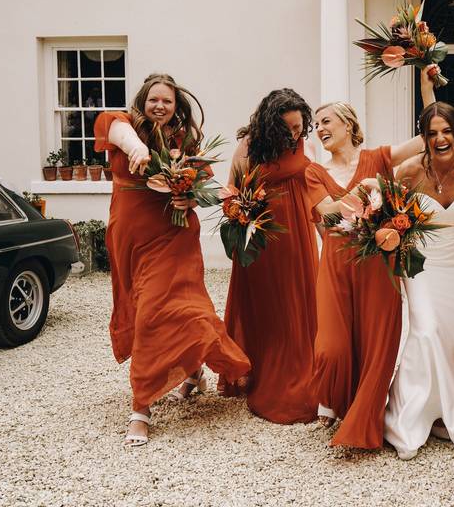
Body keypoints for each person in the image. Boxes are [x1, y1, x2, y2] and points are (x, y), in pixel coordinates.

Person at [94, 73, 251, 447]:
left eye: (167, 101)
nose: (160, 106)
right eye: (154, 100)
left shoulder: (186, 142)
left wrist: (189, 199)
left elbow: (204, 189)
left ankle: (141, 407)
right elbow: (118, 134)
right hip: (130, 237)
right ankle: (194, 370)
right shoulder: (119, 123)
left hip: (174, 236)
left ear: (176, 105)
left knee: (165, 311)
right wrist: (137, 149)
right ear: (142, 101)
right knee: (145, 305)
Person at [304, 67, 436, 449]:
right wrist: (368, 192)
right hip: (334, 267)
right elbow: (328, 213)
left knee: (376, 344)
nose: (320, 129)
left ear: (348, 123)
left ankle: (363, 417)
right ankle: (337, 397)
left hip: (378, 266)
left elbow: (429, 139)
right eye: (316, 125)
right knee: (331, 348)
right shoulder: (314, 172)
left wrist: (426, 91)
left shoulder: (378, 157)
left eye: (326, 121)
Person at [384, 101, 454, 460]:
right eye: (432, 133)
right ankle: (409, 418)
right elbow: (391, 221)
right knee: (425, 331)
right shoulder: (408, 171)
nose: (440, 138)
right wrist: (395, 265)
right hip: (421, 263)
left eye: (447, 131)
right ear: (423, 137)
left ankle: (450, 414)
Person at [218, 89, 319, 424]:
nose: (293, 134)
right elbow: (231, 191)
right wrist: (239, 213)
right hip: (264, 240)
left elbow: (317, 186)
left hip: (300, 236)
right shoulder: (249, 146)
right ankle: (262, 371)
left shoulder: (304, 145)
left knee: (300, 305)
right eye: (287, 128)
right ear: (270, 124)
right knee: (271, 306)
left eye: (298, 127)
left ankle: (300, 370)